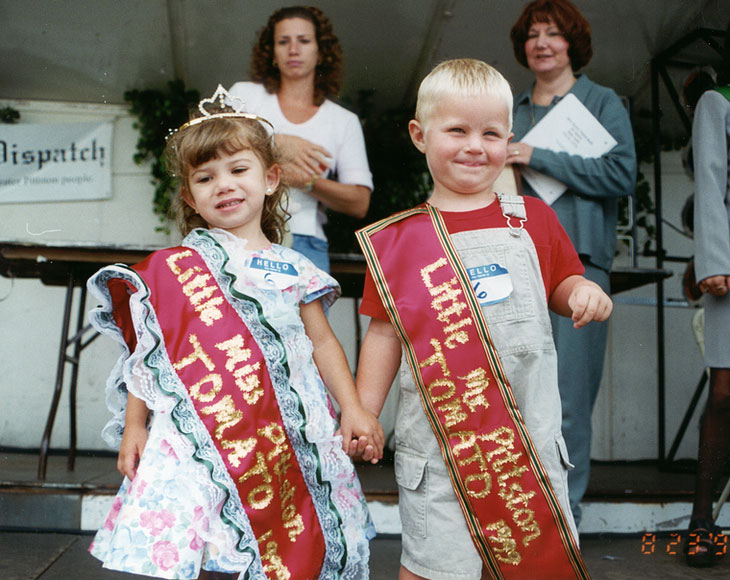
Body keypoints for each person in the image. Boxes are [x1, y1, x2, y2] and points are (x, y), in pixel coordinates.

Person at [86, 86, 384, 580]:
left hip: (287, 428)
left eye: (238, 169)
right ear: (189, 196)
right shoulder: (173, 269)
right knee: (205, 544)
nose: (223, 185)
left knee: (280, 542)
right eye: (205, 177)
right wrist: (135, 424)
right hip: (196, 431)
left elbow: (324, 342)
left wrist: (353, 407)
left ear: (270, 179)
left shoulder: (295, 267)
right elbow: (149, 352)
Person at [355, 59, 609, 580]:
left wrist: (582, 290)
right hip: (440, 451)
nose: (476, 145)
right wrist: (363, 412)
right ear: (419, 135)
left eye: (491, 133)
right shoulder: (397, 244)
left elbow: (560, 283)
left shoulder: (533, 218)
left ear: (509, 140)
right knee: (432, 568)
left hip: (526, 448)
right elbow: (383, 333)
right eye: (457, 130)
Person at [508, 0, 637, 526]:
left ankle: (565, 514)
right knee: (510, 387)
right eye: (533, 33)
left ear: (572, 43)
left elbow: (622, 176)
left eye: (553, 33)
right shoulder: (509, 108)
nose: (542, 42)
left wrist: (537, 156)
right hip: (512, 265)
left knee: (568, 395)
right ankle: (516, 509)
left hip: (579, 266)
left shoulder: (602, 101)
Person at [229, 5, 372, 272]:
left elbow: (359, 201)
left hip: (305, 243)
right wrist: (278, 142)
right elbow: (214, 145)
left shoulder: (343, 121)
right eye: (283, 41)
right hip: (239, 231)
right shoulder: (245, 95)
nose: (293, 50)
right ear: (271, 52)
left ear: (321, 52)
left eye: (304, 41)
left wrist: (306, 182)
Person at [685, 21, 730, 568]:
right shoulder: (718, 103)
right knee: (725, 393)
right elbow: (712, 180)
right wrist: (714, 262)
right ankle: (702, 520)